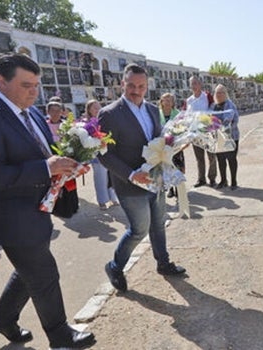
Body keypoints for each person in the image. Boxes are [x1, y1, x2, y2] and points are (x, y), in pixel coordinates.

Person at [0, 54, 95, 348]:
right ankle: (60, 336)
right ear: (1, 81)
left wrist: (70, 164)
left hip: (39, 209)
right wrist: (46, 168)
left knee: (28, 270)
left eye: (36, 85)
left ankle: (2, 319)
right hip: (11, 216)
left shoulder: (31, 111)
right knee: (44, 273)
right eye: (26, 85)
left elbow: (47, 152)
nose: (34, 92)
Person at [98, 63, 186, 294]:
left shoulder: (149, 109)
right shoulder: (109, 114)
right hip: (130, 183)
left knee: (158, 224)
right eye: (131, 85)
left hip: (155, 178)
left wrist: (173, 143)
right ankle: (115, 267)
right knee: (139, 229)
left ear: (147, 86)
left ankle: (163, 263)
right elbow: (104, 154)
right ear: (121, 84)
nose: (136, 90)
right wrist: (130, 174)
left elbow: (156, 139)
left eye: (141, 86)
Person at [83, 99, 119, 209]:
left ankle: (113, 198)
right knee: (100, 178)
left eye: (99, 107)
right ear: (89, 110)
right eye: (94, 107)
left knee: (112, 176)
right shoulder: (86, 123)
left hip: (110, 153)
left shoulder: (106, 119)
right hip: (97, 155)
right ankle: (102, 201)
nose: (98, 109)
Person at [186, 76, 216, 187]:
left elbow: (214, 110)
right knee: (199, 158)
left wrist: (205, 117)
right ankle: (201, 179)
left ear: (200, 84)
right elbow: (186, 115)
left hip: (208, 131)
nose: (193, 86)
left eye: (195, 83)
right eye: (191, 84)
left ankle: (212, 178)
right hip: (195, 132)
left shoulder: (207, 96)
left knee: (211, 156)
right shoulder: (189, 100)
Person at [210, 84, 240, 190]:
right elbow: (209, 118)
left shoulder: (230, 105)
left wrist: (220, 124)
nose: (219, 94)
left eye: (221, 92)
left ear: (225, 94)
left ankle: (234, 182)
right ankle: (223, 180)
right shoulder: (213, 106)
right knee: (221, 160)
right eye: (217, 92)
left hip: (230, 137)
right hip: (218, 138)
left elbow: (231, 120)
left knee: (231, 159)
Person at [159, 92, 185, 198]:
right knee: (167, 166)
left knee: (177, 166)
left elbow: (183, 127)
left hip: (176, 144)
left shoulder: (177, 113)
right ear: (161, 102)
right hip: (163, 145)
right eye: (165, 99)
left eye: (170, 100)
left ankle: (178, 188)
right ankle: (170, 188)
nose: (168, 102)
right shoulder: (157, 113)